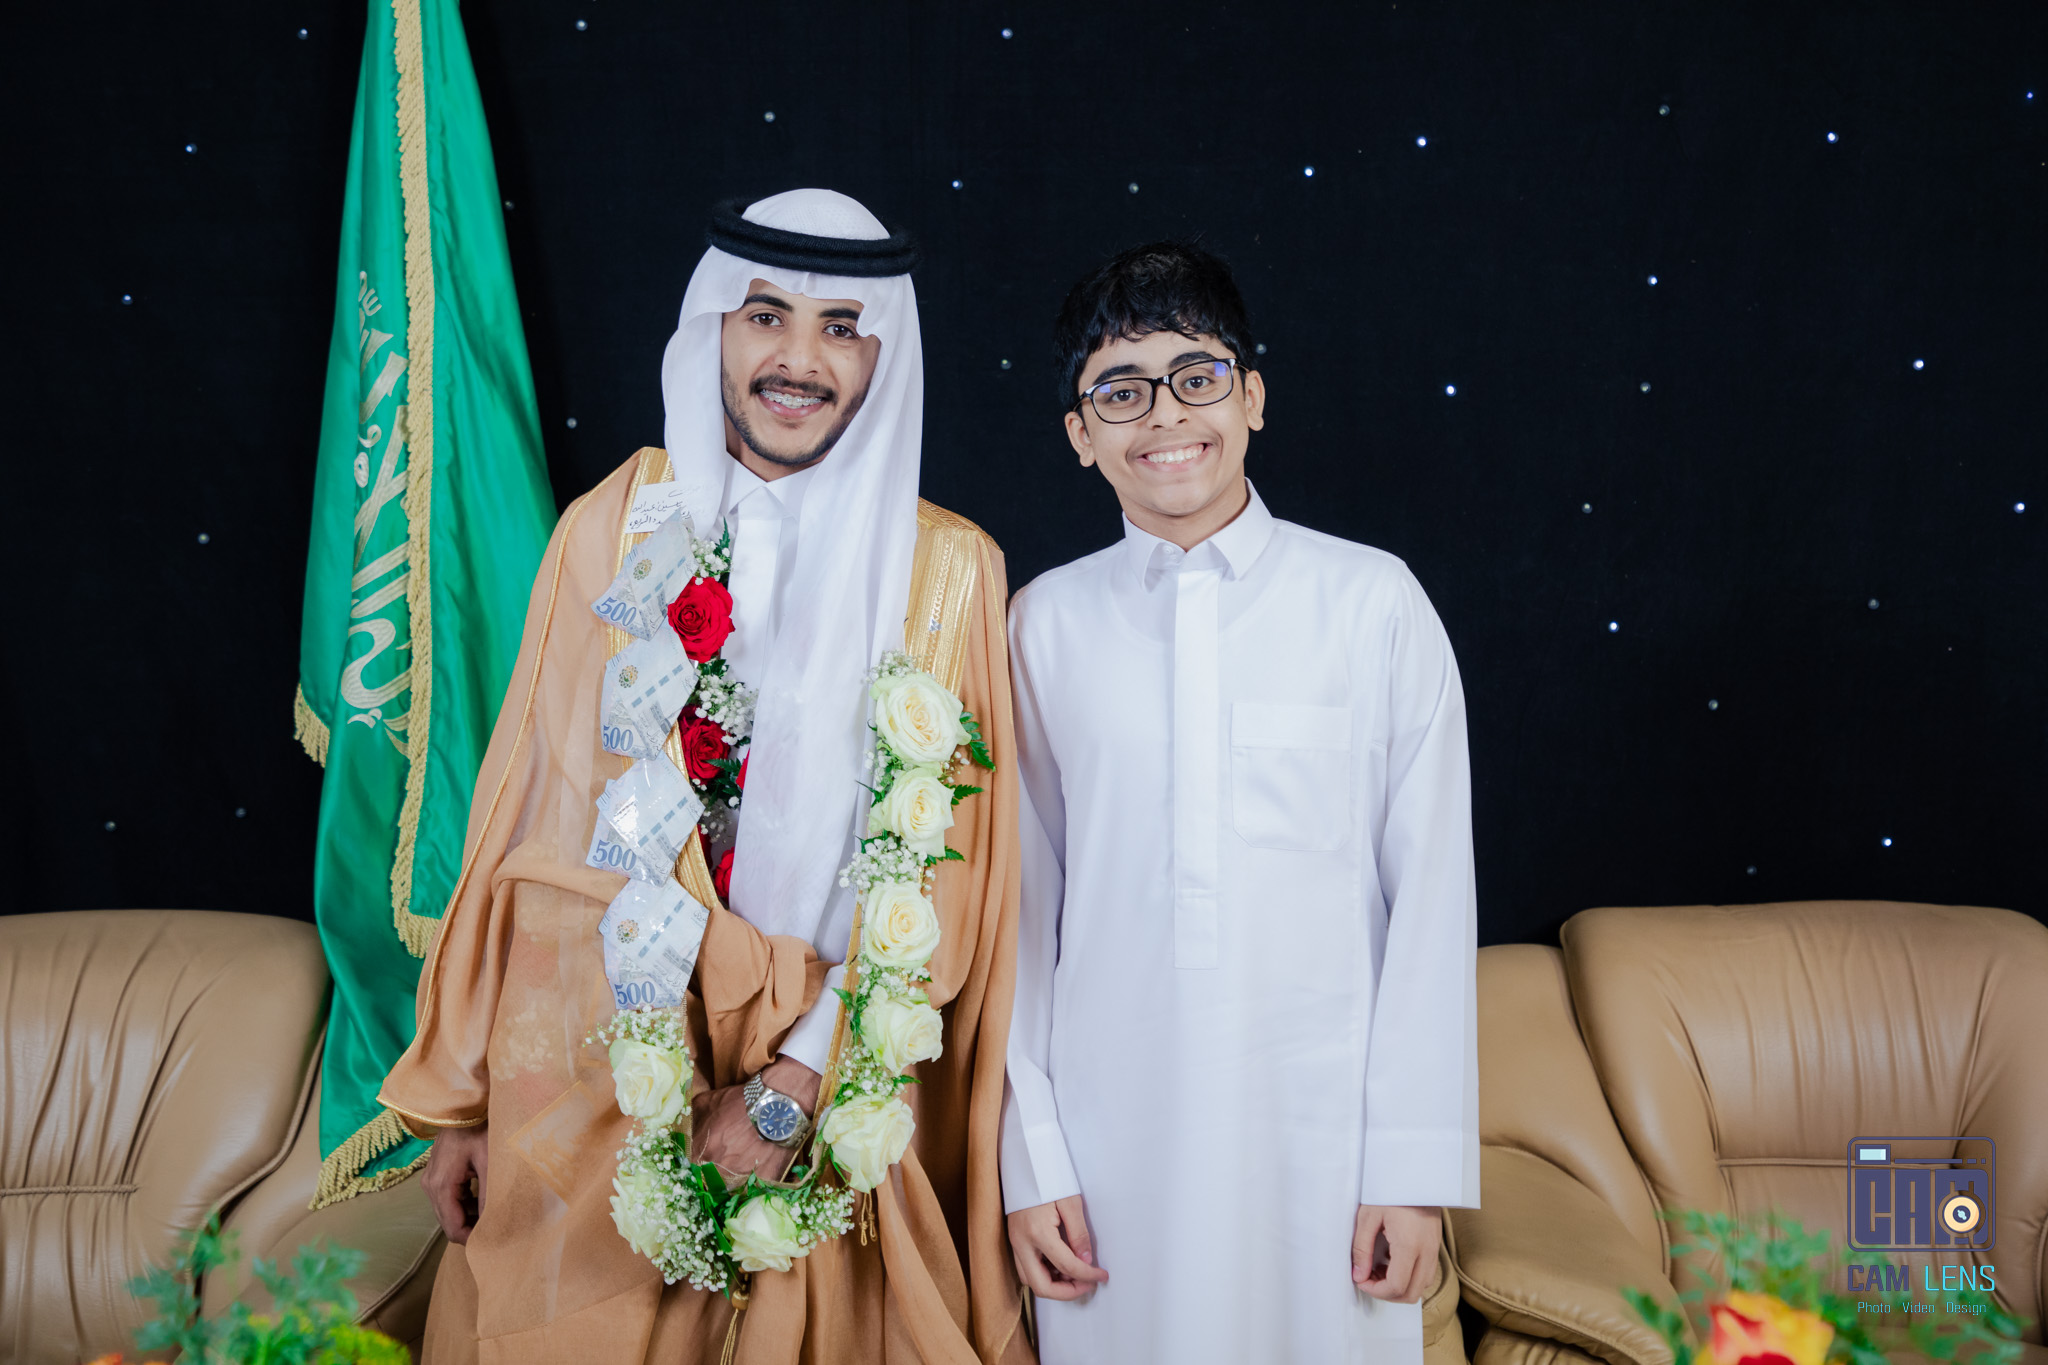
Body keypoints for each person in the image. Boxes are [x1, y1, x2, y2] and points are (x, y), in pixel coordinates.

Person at [379, 189, 1031, 1364]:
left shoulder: (948, 571)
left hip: (828, 1087)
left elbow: (952, 880)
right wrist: (473, 1096)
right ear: (713, 328)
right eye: (765, 315)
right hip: (599, 1067)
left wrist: (793, 1086)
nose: (799, 360)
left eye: (841, 327)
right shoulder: (614, 524)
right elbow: (528, 811)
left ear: (883, 352)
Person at [1000, 241, 1480, 1363]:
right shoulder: (1041, 626)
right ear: (1078, 434)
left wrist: (1411, 1169)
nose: (1164, 414)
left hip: (1326, 1144)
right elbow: (1014, 920)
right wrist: (1031, 1158)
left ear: (1252, 396)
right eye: (1120, 390)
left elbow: (1431, 903)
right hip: (1111, 1151)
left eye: (1196, 375)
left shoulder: (1370, 603)